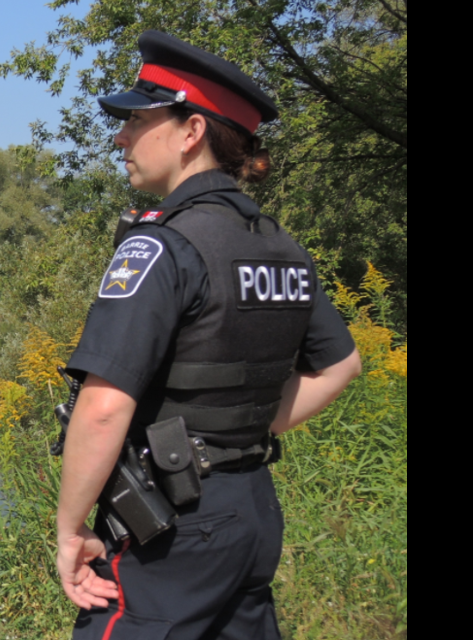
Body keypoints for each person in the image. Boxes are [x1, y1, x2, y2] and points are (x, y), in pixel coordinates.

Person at [55, 31, 362, 640]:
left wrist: (70, 530)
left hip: (175, 527)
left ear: (191, 131)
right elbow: (340, 366)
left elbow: (103, 407)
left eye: (137, 120)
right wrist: (234, 433)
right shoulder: (282, 248)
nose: (120, 137)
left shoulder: (162, 245)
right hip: (250, 508)